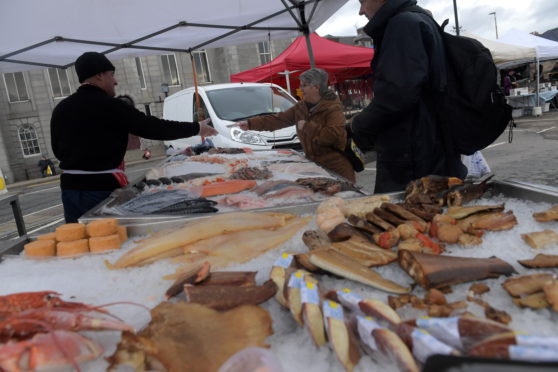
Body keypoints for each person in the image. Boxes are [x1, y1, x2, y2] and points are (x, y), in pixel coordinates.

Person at [51, 51, 217, 223]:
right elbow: (154, 128)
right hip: (102, 190)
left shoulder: (60, 108)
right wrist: (197, 128)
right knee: (109, 238)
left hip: (69, 190)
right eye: (111, 75)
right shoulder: (112, 106)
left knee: (78, 240)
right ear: (99, 75)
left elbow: (57, 150)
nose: (115, 81)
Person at [350, 0, 466, 193]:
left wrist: (357, 126)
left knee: (406, 219)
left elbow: (396, 95)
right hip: (429, 149)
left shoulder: (402, 24)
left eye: (362, 2)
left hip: (414, 157)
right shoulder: (417, 19)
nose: (361, 11)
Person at [228, 68, 356, 182]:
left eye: (304, 85)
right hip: (315, 168)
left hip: (337, 169)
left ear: (316, 87)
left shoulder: (332, 108)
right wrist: (250, 123)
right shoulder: (301, 107)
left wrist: (307, 127)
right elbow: (279, 119)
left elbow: (335, 137)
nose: (301, 89)